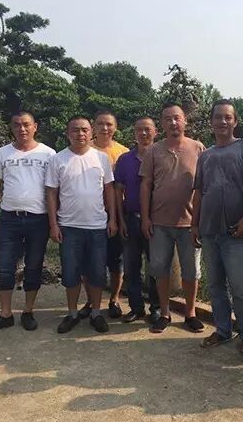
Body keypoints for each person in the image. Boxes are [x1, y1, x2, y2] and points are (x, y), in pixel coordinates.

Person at [192, 99, 243, 355]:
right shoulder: (205, 155)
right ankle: (222, 329)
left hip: (236, 230)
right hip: (209, 229)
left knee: (240, 286)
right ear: (211, 122)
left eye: (227, 117)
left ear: (235, 121)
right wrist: (194, 224)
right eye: (218, 117)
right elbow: (199, 192)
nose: (222, 121)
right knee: (215, 285)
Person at [0, 111, 55, 334]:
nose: (22, 129)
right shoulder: (2, 153)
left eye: (26, 124)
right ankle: (5, 314)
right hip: (9, 219)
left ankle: (28, 311)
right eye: (16, 125)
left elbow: (53, 190)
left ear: (35, 127)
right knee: (4, 268)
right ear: (11, 128)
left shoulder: (48, 154)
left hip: (38, 219)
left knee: (33, 267)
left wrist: (54, 222)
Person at [45, 115, 117, 334]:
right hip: (69, 226)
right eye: (75, 130)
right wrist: (53, 224)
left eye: (84, 129)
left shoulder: (101, 158)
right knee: (71, 273)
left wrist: (113, 218)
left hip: (97, 226)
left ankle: (96, 312)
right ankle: (72, 313)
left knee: (97, 273)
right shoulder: (58, 159)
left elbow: (109, 190)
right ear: (68, 133)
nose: (80, 134)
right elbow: (51, 193)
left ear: (91, 132)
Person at [139, 103, 205, 334]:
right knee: (160, 269)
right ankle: (165, 312)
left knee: (191, 271)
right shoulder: (153, 151)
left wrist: (199, 220)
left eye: (177, 118)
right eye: (168, 119)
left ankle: (190, 313)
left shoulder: (198, 148)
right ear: (162, 124)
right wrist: (145, 218)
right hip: (159, 222)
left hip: (190, 223)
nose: (173, 123)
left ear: (185, 120)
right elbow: (145, 185)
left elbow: (203, 187)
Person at [78, 110, 129, 320]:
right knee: (87, 261)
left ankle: (114, 299)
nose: (105, 128)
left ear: (115, 127)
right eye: (100, 124)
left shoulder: (123, 153)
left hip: (115, 212)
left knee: (116, 261)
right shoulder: (83, 150)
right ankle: (91, 301)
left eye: (109, 124)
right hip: (88, 214)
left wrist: (117, 217)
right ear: (94, 126)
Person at [114, 117, 161, 324]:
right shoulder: (125, 160)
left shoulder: (162, 156)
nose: (143, 133)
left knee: (156, 267)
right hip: (131, 218)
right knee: (132, 267)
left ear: (155, 132)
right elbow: (118, 191)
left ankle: (156, 308)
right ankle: (136, 307)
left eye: (147, 129)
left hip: (157, 220)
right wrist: (121, 220)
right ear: (134, 133)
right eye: (139, 130)